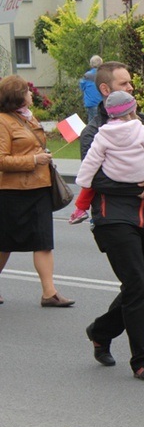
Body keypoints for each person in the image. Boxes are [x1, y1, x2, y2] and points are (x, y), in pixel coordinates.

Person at [81, 61, 144, 382]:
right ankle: (142, 361)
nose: (133, 88)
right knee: (136, 284)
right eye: (125, 84)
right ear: (106, 90)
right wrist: (140, 182)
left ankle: (101, 330)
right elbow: (93, 177)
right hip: (113, 219)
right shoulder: (94, 132)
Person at [0, 75, 75, 308]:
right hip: (12, 192)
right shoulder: (3, 121)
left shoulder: (29, 118)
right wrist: (34, 159)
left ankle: (49, 293)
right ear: (18, 96)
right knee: (4, 243)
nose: (32, 93)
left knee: (43, 241)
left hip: (40, 188)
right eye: (27, 90)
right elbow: (2, 159)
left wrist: (42, 155)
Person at [70, 91, 144, 225]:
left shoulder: (102, 134)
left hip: (113, 175)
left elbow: (91, 161)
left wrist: (83, 180)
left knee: (90, 179)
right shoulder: (141, 130)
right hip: (142, 176)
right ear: (132, 111)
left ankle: (80, 209)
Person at [80, 55, 104, 122]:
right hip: (102, 103)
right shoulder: (103, 75)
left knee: (92, 123)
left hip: (90, 103)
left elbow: (82, 87)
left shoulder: (87, 76)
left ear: (91, 64)